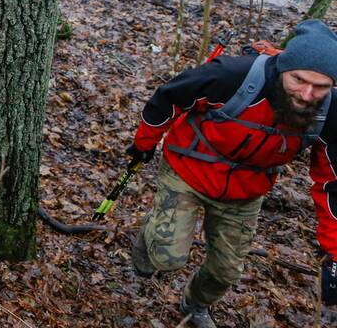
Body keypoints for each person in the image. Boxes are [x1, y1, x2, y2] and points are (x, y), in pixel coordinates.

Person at [128, 21, 337, 327]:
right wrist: (143, 143)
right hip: (189, 168)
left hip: (246, 190)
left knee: (226, 271)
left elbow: (332, 182)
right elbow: (169, 97)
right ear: (282, 68)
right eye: (299, 80)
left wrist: (335, 254)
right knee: (166, 257)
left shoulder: (329, 112)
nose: (307, 94)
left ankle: (195, 304)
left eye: (320, 86)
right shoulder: (231, 75)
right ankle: (149, 240)